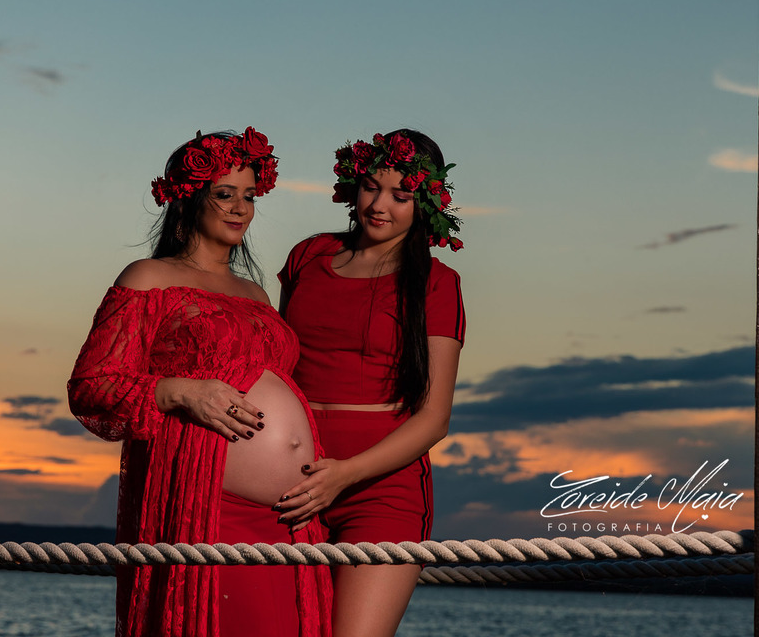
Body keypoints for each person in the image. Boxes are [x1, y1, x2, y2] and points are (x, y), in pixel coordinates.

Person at [68, 128, 332, 637]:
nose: (240, 209)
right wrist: (183, 391)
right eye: (225, 194)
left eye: (249, 197)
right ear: (188, 198)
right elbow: (92, 386)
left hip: (292, 518)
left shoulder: (256, 294)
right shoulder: (148, 277)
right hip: (209, 508)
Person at [273, 129, 465, 637]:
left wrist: (345, 475)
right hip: (286, 481)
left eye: (401, 195)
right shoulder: (308, 256)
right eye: (371, 187)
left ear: (426, 203)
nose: (379, 206)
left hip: (381, 492)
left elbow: (434, 418)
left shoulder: (437, 283)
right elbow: (275, 366)